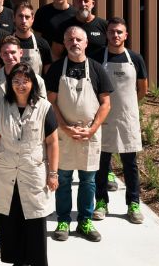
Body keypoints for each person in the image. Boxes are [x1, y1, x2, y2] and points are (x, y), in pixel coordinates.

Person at [0, 63, 61, 266]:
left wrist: (53, 173)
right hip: (6, 169)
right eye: (15, 81)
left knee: (35, 219)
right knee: (11, 217)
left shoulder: (44, 107)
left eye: (25, 81)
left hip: (33, 170)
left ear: (33, 83)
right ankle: (20, 261)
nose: (20, 85)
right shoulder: (2, 105)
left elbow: (52, 142)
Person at [45, 25, 113, 243]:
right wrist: (64, 126)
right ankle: (63, 220)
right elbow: (51, 102)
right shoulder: (56, 69)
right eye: (70, 39)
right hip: (64, 135)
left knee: (88, 181)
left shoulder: (97, 69)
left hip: (89, 135)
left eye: (78, 39)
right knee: (63, 180)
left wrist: (92, 129)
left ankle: (85, 220)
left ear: (86, 43)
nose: (74, 43)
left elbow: (106, 103)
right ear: (64, 44)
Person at [95, 17, 148, 225]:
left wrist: (129, 107)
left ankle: (133, 204)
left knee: (130, 164)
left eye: (119, 32)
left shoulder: (135, 58)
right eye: (111, 32)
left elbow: (142, 88)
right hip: (104, 118)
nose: (115, 35)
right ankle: (101, 202)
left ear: (126, 35)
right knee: (101, 163)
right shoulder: (98, 58)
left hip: (127, 118)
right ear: (106, 34)